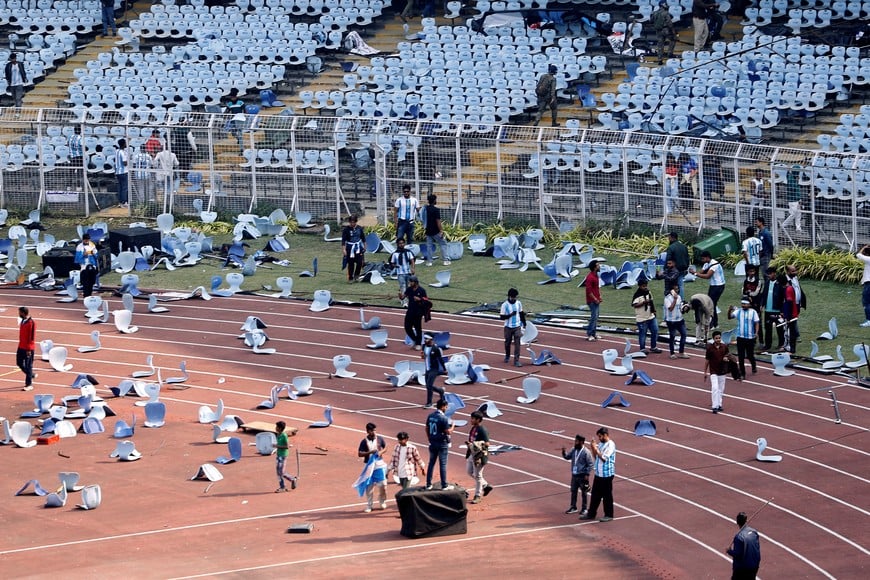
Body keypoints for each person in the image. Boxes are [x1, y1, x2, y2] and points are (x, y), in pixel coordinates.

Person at [583, 427, 616, 522]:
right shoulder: (601, 444)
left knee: (607, 495)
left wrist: (596, 449)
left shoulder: (610, 445)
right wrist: (593, 448)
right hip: (599, 474)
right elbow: (595, 456)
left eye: (600, 436)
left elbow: (604, 458)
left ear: (605, 435)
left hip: (607, 475)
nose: (599, 438)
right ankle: (591, 513)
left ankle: (609, 514)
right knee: (595, 495)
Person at [425, 399, 454, 491]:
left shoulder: (430, 416)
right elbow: (448, 432)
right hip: (442, 444)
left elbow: (426, 428)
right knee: (443, 464)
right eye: (446, 406)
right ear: (442, 406)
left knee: (431, 463)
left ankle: (428, 484)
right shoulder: (444, 418)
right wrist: (453, 425)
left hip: (433, 442)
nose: (447, 408)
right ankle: (444, 485)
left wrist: (429, 438)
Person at [358, 423, 388, 512]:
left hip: (379, 465)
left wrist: (381, 452)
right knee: (369, 487)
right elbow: (359, 453)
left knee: (383, 484)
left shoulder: (380, 439)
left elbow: (385, 448)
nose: (374, 432)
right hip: (369, 466)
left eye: (375, 430)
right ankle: (369, 505)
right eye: (372, 430)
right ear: (367, 431)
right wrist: (370, 452)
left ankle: (382, 501)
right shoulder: (364, 441)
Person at [562, 435, 593, 515]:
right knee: (573, 491)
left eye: (577, 441)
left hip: (582, 475)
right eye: (575, 441)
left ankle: (584, 508)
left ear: (582, 442)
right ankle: (573, 507)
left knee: (584, 492)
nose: (575, 442)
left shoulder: (586, 452)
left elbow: (590, 464)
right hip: (574, 475)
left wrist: (587, 474)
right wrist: (564, 452)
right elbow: (567, 457)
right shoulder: (573, 450)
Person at [466, 410, 492, 504]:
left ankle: (477, 495)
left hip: (479, 457)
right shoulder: (473, 428)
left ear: (478, 420)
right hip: (472, 454)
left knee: (478, 476)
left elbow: (487, 443)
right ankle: (485, 485)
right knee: (469, 471)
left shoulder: (482, 430)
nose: (471, 420)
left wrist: (477, 445)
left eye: (473, 418)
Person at [729, 297, 759, 379]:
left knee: (750, 355)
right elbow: (730, 317)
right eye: (742, 304)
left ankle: (753, 365)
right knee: (741, 357)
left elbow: (756, 323)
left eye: (745, 304)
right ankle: (742, 373)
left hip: (750, 338)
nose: (743, 305)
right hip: (740, 337)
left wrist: (756, 333)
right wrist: (729, 310)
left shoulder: (753, 312)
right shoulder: (738, 311)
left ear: (749, 304)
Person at [696, 250, 726, 328]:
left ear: (707, 257)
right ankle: (714, 323)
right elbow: (702, 272)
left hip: (719, 286)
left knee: (711, 305)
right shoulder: (707, 264)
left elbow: (707, 276)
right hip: (713, 285)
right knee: (710, 304)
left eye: (703, 258)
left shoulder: (714, 264)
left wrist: (695, 274)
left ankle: (713, 324)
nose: (702, 260)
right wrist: (695, 273)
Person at [727, 512, 762, 579]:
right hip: (754, 566)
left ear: (737, 522)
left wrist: (729, 551)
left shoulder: (739, 537)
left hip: (742, 569)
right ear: (746, 520)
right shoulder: (754, 532)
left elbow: (738, 555)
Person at [631, 276, 661, 354]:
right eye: (643, 286)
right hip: (642, 318)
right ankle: (642, 348)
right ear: (640, 286)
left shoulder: (648, 292)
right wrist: (643, 302)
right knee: (642, 334)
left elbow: (651, 301)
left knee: (655, 331)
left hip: (650, 316)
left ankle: (653, 347)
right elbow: (634, 305)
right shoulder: (637, 295)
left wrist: (654, 310)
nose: (645, 287)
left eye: (646, 285)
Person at [704, 330, 730, 413]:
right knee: (715, 388)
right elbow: (707, 360)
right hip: (713, 371)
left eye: (719, 338)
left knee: (721, 389)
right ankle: (714, 406)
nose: (718, 340)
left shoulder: (724, 347)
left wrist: (727, 358)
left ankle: (719, 404)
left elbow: (728, 355)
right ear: (713, 339)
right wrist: (705, 372)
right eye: (716, 338)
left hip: (722, 371)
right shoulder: (710, 348)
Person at [760, 267, 785, 353]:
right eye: (768, 274)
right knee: (768, 328)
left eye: (770, 274)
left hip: (777, 310)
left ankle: (781, 344)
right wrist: (762, 305)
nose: (769, 276)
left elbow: (782, 298)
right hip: (768, 310)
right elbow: (764, 294)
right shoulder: (767, 283)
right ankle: (767, 345)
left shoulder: (779, 284)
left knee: (780, 328)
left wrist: (782, 310)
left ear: (774, 273)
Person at [500, 288, 526, 366]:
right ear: (509, 297)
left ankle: (516, 360)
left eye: (515, 297)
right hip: (508, 327)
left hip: (517, 326)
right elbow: (501, 317)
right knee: (507, 342)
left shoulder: (518, 303)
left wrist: (524, 322)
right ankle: (507, 355)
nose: (514, 298)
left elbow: (521, 313)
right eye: (513, 297)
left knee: (517, 343)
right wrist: (510, 315)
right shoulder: (505, 305)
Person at [422, 193, 449, 266]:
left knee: (429, 246)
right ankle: (445, 260)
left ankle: (429, 261)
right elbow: (438, 221)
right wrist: (441, 230)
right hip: (435, 230)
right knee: (443, 244)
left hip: (428, 230)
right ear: (434, 201)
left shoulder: (425, 209)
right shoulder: (436, 210)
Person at [401, 276, 428, 350]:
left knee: (418, 328)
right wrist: (401, 296)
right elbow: (404, 296)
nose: (409, 283)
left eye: (411, 282)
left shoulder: (421, 290)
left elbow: (426, 300)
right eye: (409, 282)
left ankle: (418, 343)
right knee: (407, 327)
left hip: (418, 312)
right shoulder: (409, 289)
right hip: (410, 311)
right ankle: (415, 339)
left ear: (415, 282)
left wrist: (419, 299)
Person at [664, 288, 689, 359]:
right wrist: (674, 299)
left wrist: (685, 307)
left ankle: (681, 352)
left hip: (680, 319)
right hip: (671, 321)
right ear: (671, 290)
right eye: (675, 289)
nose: (677, 290)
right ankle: (672, 353)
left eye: (678, 289)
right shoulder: (667, 299)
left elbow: (680, 308)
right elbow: (670, 308)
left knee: (684, 334)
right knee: (672, 336)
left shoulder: (679, 297)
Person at [742, 264, 764, 346]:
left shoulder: (758, 281)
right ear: (747, 272)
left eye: (753, 271)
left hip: (756, 305)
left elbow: (756, 293)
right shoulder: (746, 281)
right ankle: (752, 340)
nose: (752, 273)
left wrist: (748, 293)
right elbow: (743, 292)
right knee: (749, 322)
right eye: (750, 271)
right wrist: (748, 294)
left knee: (758, 322)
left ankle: (761, 341)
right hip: (748, 305)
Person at [421, 333, 445, 408]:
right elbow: (423, 356)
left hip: (434, 369)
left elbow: (440, 359)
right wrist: (422, 356)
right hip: (427, 368)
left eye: (427, 339)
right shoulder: (424, 346)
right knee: (428, 386)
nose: (425, 340)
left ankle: (429, 403)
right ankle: (440, 391)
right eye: (424, 339)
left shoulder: (436, 349)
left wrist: (444, 369)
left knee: (429, 385)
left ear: (431, 339)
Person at [273, 421, 298, 492]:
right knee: (278, 472)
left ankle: (292, 479)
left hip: (283, 455)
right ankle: (282, 486)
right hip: (278, 455)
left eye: (277, 427)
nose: (276, 428)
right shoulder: (278, 434)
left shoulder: (284, 435)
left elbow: (286, 446)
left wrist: (276, 446)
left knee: (281, 472)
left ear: (280, 428)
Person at [341, 214, 366, 283]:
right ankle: (350, 278)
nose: (352, 224)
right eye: (351, 222)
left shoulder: (359, 228)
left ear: (356, 222)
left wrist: (364, 247)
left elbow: (363, 238)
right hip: (350, 248)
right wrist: (344, 249)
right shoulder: (346, 230)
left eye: (353, 222)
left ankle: (356, 275)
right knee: (351, 264)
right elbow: (343, 240)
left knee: (360, 262)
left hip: (358, 248)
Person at [666, 231, 690, 298]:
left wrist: (665, 269)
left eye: (669, 238)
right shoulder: (684, 246)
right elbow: (687, 258)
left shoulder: (671, 247)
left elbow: (668, 259)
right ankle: (681, 300)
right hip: (683, 269)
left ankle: (670, 300)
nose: (669, 239)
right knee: (680, 285)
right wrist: (686, 267)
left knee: (670, 285)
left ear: (672, 238)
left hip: (674, 270)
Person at [17, 306, 36, 391]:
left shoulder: (31, 323)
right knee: (19, 363)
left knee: (28, 366)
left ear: (23, 313)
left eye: (20, 312)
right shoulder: (22, 321)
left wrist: (29, 349)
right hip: (21, 346)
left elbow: (31, 337)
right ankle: (31, 375)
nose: (19, 314)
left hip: (28, 348)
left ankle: (29, 384)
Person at [74, 233, 99, 297]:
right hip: (84, 265)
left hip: (92, 264)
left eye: (88, 239)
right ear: (83, 240)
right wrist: (83, 255)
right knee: (85, 281)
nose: (87, 241)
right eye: (85, 240)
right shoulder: (79, 247)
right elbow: (77, 259)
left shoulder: (92, 245)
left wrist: (93, 253)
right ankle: (86, 294)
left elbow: (97, 256)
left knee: (92, 280)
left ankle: (90, 293)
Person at [780, 273, 799, 354]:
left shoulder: (788, 289)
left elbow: (789, 303)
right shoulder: (788, 288)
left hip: (791, 315)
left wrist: (788, 317)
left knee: (791, 332)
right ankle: (787, 347)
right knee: (787, 331)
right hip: (789, 314)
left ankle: (792, 350)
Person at [781, 163, 803, 233]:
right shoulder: (791, 178)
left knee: (798, 214)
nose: (799, 173)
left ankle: (798, 228)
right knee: (793, 214)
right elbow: (793, 188)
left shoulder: (793, 177)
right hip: (793, 200)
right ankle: (783, 225)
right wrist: (797, 181)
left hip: (797, 199)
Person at [584, 260, 602, 341]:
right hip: (592, 301)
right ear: (594, 267)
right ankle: (590, 334)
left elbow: (596, 288)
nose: (599, 266)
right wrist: (595, 299)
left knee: (596, 317)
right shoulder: (590, 277)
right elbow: (588, 291)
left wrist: (599, 296)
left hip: (596, 299)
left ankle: (593, 333)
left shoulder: (596, 275)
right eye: (598, 265)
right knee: (593, 317)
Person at [857, 243, 870, 327]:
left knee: (866, 302)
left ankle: (869, 320)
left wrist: (864, 248)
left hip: (869, 283)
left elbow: (858, 255)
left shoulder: (869, 260)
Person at [114, 138, 129, 208]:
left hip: (117, 172)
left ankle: (120, 202)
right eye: (125, 143)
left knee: (120, 187)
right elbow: (125, 163)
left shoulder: (117, 151)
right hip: (123, 172)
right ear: (123, 144)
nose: (126, 144)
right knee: (124, 187)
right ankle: (124, 202)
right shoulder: (123, 152)